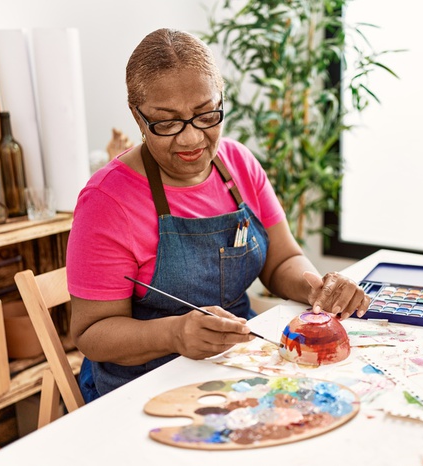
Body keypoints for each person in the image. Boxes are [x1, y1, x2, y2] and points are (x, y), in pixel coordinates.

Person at [66, 28, 370, 402]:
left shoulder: (238, 164)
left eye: (206, 114)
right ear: (137, 116)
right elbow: (91, 334)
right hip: (143, 388)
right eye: (167, 122)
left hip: (236, 364)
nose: (192, 138)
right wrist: (174, 334)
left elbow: (282, 260)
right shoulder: (107, 201)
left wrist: (316, 289)